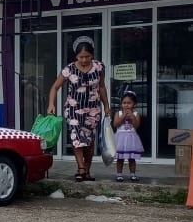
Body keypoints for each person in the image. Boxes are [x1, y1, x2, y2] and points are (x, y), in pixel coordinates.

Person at [47, 37, 110, 182]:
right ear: (76, 56)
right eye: (81, 57)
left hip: (93, 110)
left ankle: (87, 170)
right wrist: (51, 104)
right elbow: (55, 87)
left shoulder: (99, 67)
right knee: (76, 138)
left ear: (92, 55)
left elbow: (101, 87)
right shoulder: (68, 70)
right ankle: (80, 168)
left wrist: (106, 105)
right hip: (73, 109)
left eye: (87, 56)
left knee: (89, 141)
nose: (84, 60)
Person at [113, 91, 144, 182]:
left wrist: (132, 116)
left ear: (134, 104)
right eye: (124, 103)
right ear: (121, 104)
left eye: (129, 103)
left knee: (131, 158)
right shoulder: (118, 113)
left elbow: (136, 125)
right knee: (120, 158)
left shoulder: (136, 114)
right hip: (120, 138)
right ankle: (119, 174)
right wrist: (123, 116)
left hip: (131, 138)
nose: (126, 105)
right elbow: (116, 124)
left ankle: (133, 174)